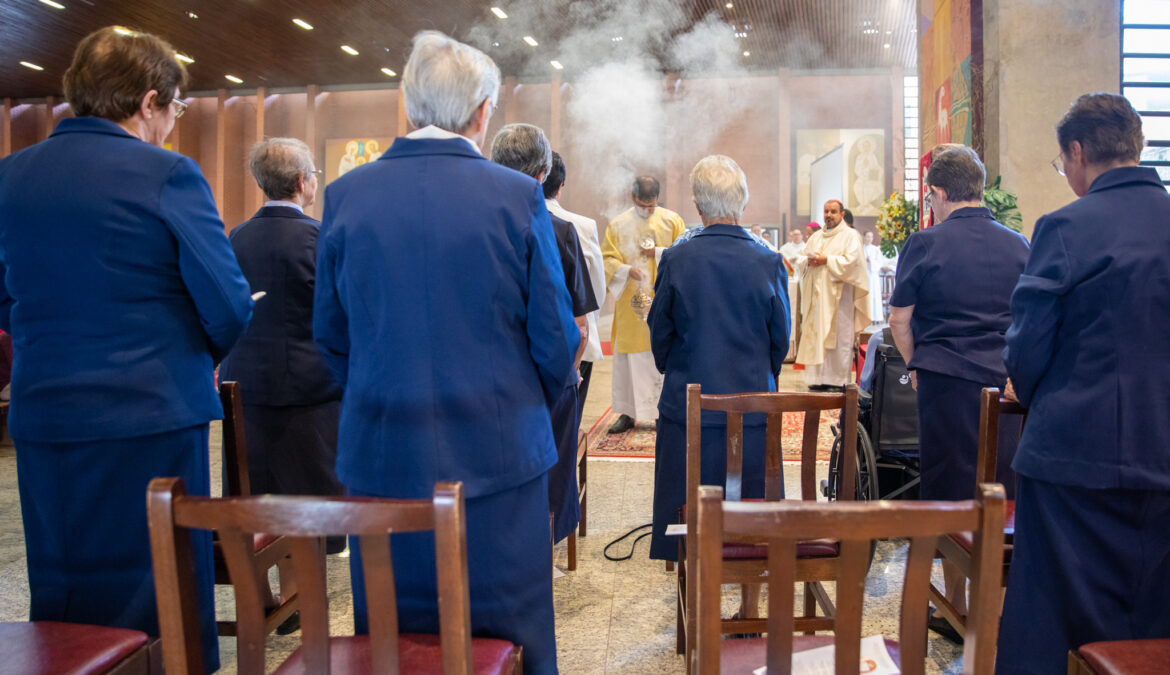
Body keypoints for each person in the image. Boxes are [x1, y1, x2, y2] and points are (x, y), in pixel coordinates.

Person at [313, 31, 578, 674]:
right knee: (507, 625)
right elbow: (555, 338)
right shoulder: (516, 196)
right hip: (498, 455)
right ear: (485, 111)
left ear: (406, 103)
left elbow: (330, 334)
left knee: (396, 633)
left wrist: (383, 389)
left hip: (383, 458)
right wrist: (519, 406)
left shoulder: (346, 196)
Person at [0, 26, 253, 672]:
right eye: (175, 109)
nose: (172, 123)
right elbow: (226, 304)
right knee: (161, 590)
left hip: (45, 415)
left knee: (65, 585)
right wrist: (187, 354)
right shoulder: (166, 173)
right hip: (152, 415)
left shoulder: (12, 176)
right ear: (148, 101)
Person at [997, 93, 1170, 673]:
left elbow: (1028, 347)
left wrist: (1035, 390)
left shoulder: (1067, 226)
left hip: (1074, 456)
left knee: (1047, 618)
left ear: (1075, 152)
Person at [886, 146, 1029, 643]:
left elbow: (900, 320)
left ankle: (955, 609)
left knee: (949, 494)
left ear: (939, 193)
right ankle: (1003, 608)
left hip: (947, 386)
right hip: (1007, 389)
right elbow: (1032, 323)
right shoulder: (1019, 244)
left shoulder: (925, 244)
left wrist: (915, 364)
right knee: (1003, 493)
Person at [647, 155, 790, 562]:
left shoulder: (677, 257)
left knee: (683, 487)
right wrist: (762, 372)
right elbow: (780, 337)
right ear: (742, 202)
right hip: (753, 409)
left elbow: (661, 330)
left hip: (689, 403)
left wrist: (671, 366)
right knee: (751, 494)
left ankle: (683, 548)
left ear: (697, 206)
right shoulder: (768, 259)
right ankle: (752, 544)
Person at [219, 138, 346, 555]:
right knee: (312, 498)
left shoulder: (236, 237)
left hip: (247, 387)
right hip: (312, 387)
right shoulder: (321, 237)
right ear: (302, 181)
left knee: (258, 493)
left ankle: (264, 579)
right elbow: (340, 309)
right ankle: (305, 584)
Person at [490, 123, 598, 546]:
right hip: (541, 384)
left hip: (484, 384)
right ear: (543, 174)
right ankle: (544, 554)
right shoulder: (557, 230)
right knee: (549, 475)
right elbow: (575, 325)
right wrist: (565, 378)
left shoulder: (470, 222)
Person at [601, 176, 685, 433]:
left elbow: (684, 254)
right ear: (632, 197)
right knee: (630, 360)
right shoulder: (618, 224)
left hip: (663, 303)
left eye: (651, 206)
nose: (647, 210)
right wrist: (625, 270)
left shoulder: (672, 220)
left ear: (658, 199)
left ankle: (662, 412)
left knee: (659, 356)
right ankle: (627, 413)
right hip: (632, 307)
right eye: (642, 205)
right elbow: (607, 258)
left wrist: (657, 253)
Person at [543, 151, 606, 419]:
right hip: (576, 335)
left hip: (531, 339)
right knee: (571, 419)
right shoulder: (582, 226)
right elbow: (597, 289)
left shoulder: (509, 220)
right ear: (560, 186)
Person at [794, 199, 869, 391]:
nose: (828, 215)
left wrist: (826, 259)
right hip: (817, 301)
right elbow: (801, 260)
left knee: (838, 340)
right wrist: (808, 261)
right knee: (817, 337)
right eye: (826, 211)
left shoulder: (851, 236)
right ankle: (817, 379)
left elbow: (853, 263)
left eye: (833, 212)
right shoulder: (816, 237)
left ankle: (837, 381)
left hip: (840, 300)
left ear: (842, 214)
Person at [863, 231, 885, 323]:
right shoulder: (860, 249)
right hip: (864, 275)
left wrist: (871, 261)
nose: (869, 239)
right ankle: (865, 317)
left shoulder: (876, 249)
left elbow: (880, 262)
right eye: (868, 237)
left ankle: (876, 317)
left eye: (871, 237)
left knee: (874, 296)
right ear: (863, 237)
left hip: (873, 275)